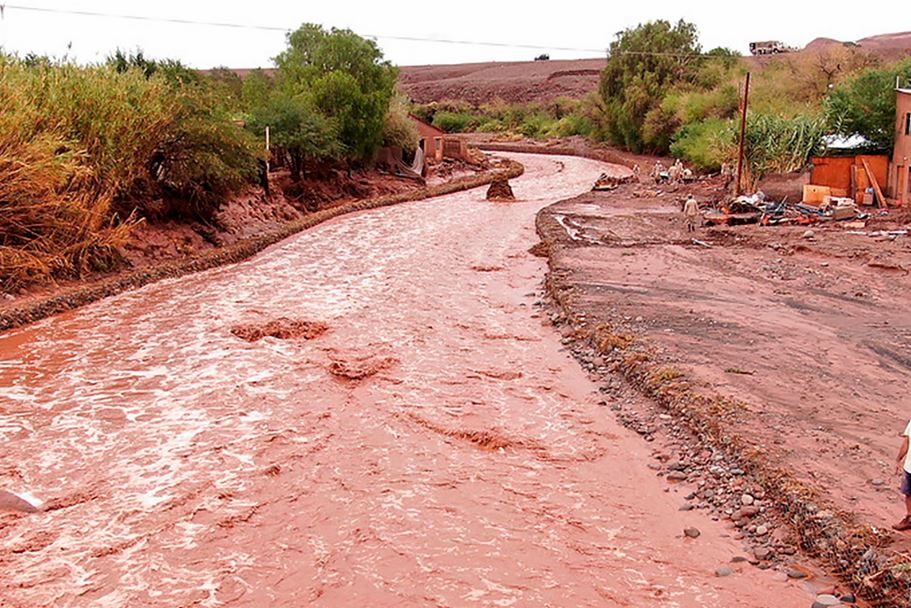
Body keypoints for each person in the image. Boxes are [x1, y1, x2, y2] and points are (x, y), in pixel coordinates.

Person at [894, 421, 911, 531]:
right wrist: (899, 459)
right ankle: (910, 517)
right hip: (910, 466)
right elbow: (907, 442)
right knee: (908, 493)